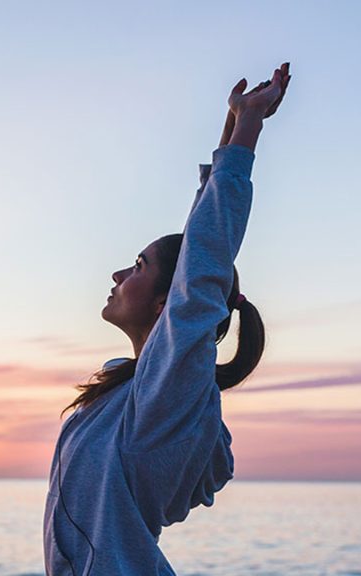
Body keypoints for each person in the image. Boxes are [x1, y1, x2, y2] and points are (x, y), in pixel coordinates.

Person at [44, 62, 292, 575]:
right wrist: (230, 128)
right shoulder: (132, 390)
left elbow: (203, 261)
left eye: (137, 267)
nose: (116, 274)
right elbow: (193, 253)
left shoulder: (168, 399)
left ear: (167, 303)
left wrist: (247, 132)